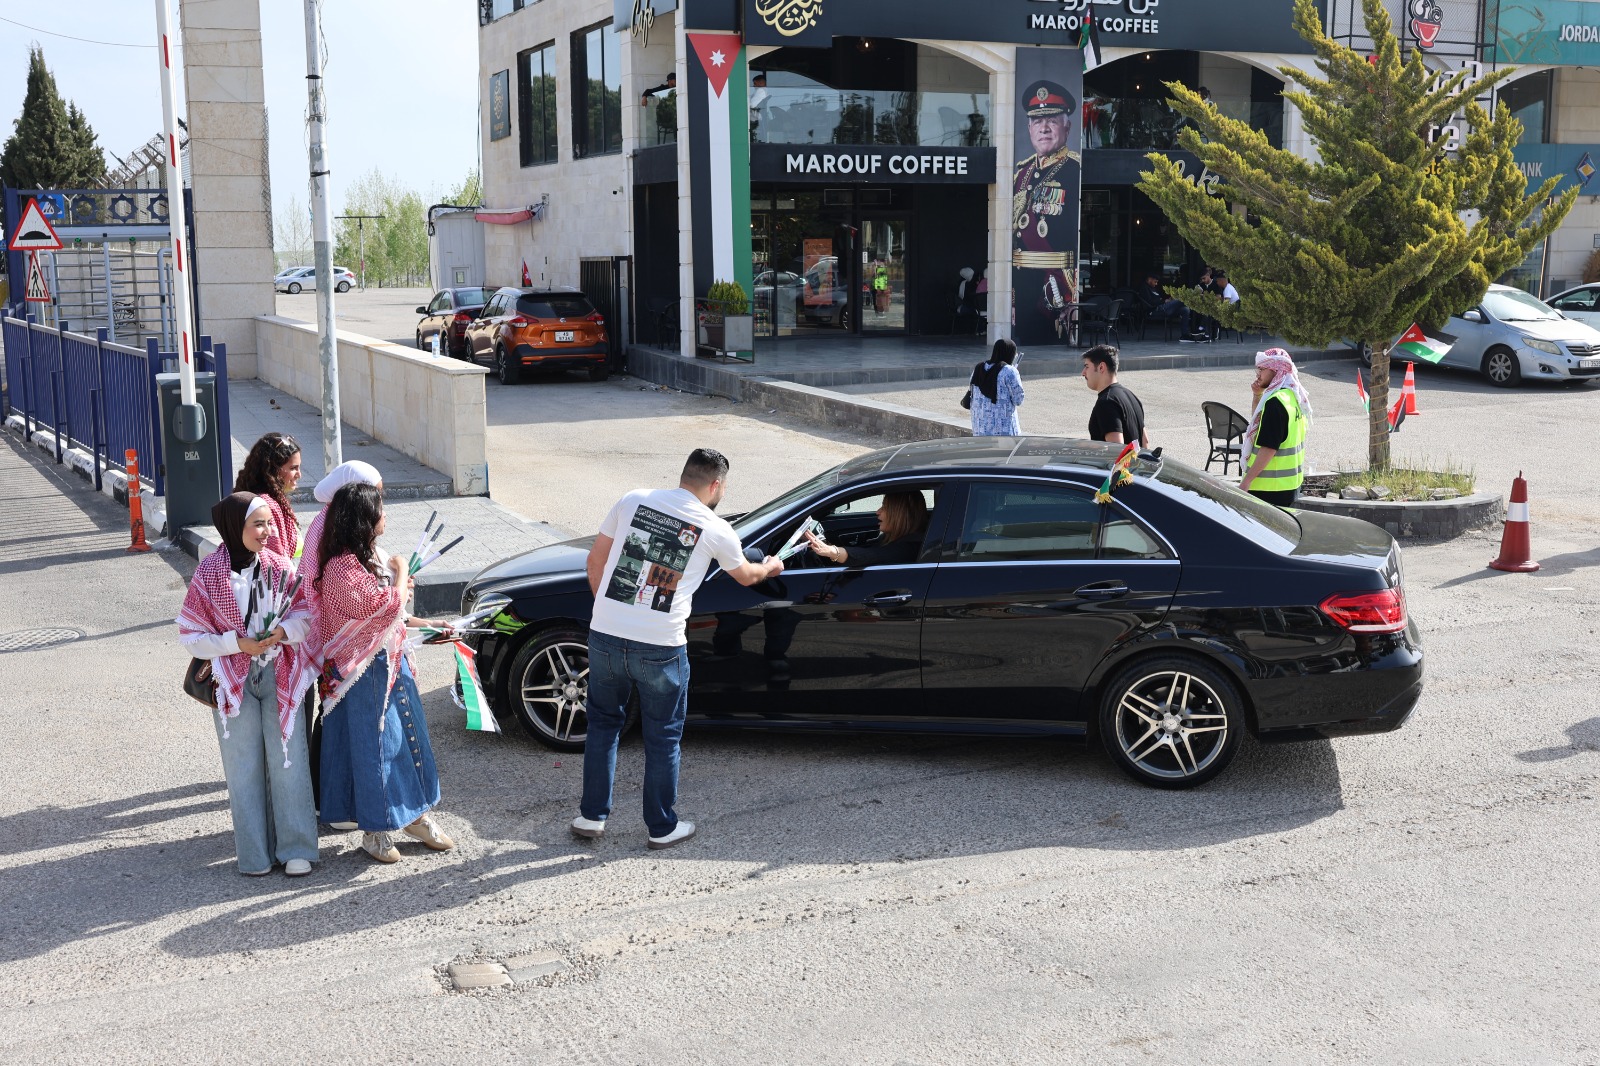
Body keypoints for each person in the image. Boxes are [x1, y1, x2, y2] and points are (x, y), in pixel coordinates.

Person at [574, 449, 784, 850]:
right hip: (661, 646)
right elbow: (746, 576)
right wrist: (772, 567)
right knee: (663, 736)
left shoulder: (633, 499)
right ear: (716, 485)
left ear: (685, 474)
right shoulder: (716, 528)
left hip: (604, 634)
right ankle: (661, 827)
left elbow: (594, 562)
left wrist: (613, 612)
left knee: (603, 724)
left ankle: (591, 817)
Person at [177, 493, 318, 877]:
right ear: (233, 527)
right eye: (258, 524)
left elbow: (306, 617)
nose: (267, 531)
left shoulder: (280, 565)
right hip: (230, 680)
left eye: (269, 523)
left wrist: (283, 632)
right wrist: (236, 644)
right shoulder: (209, 574)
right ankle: (255, 856)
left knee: (289, 759)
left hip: (280, 673)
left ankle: (297, 849)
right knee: (243, 768)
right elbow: (191, 636)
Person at [314, 483, 456, 864]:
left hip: (389, 661)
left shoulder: (370, 555)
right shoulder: (340, 567)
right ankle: (376, 830)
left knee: (410, 737)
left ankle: (416, 816)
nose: (385, 514)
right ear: (363, 518)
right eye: (379, 508)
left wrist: (431, 625)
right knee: (376, 749)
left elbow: (395, 614)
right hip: (359, 672)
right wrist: (402, 571)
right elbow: (383, 605)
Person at [297, 459, 382, 824]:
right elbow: (345, 592)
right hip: (332, 635)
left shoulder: (329, 519)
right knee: (333, 716)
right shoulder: (331, 527)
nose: (379, 501)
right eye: (375, 492)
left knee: (333, 714)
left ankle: (330, 798)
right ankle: (326, 797)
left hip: (330, 632)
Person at [1012, 80, 1081, 345]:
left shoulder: (1074, 170)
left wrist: (1067, 292)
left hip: (1054, 283)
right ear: (1029, 128)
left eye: (1052, 120)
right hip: (1022, 282)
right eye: (1037, 121)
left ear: (1067, 127)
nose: (1044, 128)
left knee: (1046, 340)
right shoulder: (1021, 172)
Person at [1240, 348, 1311, 506]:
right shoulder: (1294, 397)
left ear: (1276, 370)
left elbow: (1269, 448)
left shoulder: (1275, 402)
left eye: (1261, 369)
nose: (1258, 374)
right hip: (1290, 485)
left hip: (1268, 489)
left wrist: (1247, 481)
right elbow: (1260, 423)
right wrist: (1257, 395)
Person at [802, 492, 929, 568]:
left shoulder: (907, 548)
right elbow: (866, 549)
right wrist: (823, 546)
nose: (878, 512)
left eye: (885, 507)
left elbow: (870, 556)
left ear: (899, 515)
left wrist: (832, 551)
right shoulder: (893, 537)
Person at [234, 433, 303, 560]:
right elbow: (274, 558)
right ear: (273, 470)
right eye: (293, 468)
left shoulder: (266, 499)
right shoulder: (265, 506)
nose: (299, 474)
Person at [1082, 344, 1149, 447]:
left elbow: (1116, 448)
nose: (1083, 373)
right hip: (1137, 458)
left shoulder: (1106, 403)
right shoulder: (1131, 396)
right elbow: (1145, 441)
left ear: (1101, 367)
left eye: (1087, 366)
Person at [967, 338, 1025, 436]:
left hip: (979, 429)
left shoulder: (978, 368)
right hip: (1003, 432)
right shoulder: (1009, 371)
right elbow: (1018, 400)